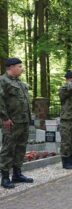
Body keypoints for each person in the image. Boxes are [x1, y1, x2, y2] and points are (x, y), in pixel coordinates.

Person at [0, 58, 34, 189]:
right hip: (11, 122)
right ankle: (4, 177)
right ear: (11, 67)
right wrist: (5, 118)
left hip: (23, 121)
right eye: (20, 66)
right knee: (8, 148)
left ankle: (17, 174)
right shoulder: (3, 81)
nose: (22, 69)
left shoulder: (19, 82)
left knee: (20, 148)